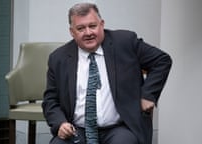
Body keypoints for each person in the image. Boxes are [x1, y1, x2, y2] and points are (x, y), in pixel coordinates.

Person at [42, 2, 172, 144]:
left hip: (120, 128)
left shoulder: (125, 42)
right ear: (72, 32)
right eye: (80, 28)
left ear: (102, 24)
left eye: (92, 26)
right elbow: (50, 100)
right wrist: (60, 123)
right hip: (77, 130)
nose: (88, 33)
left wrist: (149, 94)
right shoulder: (58, 58)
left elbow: (162, 60)